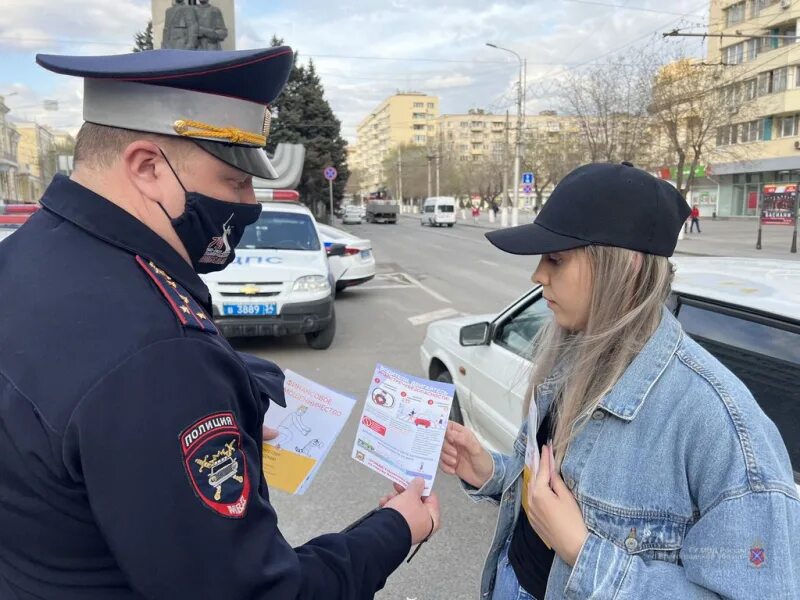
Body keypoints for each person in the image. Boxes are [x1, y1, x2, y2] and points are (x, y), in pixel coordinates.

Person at [0, 46, 439, 599]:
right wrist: (396, 530)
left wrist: (222, 400)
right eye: (234, 182)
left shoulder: (24, 258)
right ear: (147, 167)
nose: (250, 203)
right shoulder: (160, 350)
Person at [439, 162, 799, 600]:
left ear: (624, 266)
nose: (537, 275)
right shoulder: (572, 354)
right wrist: (490, 471)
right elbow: (546, 487)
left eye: (556, 258)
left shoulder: (719, 425)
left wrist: (582, 549)